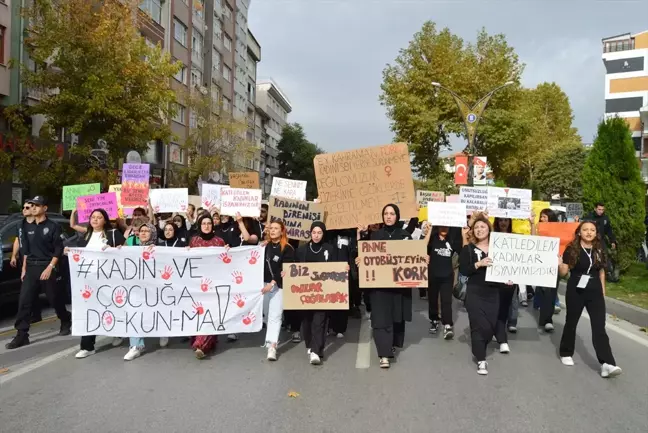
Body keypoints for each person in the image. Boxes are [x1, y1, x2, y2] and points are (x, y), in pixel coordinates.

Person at [356, 204, 428, 369]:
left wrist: (422, 260)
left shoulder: (405, 236)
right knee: (381, 319)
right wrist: (361, 259)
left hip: (398, 288)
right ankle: (384, 354)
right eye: (386, 214)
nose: (389, 216)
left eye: (392, 213)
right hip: (379, 288)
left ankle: (392, 344)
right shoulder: (375, 236)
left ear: (397, 216)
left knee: (396, 318)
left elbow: (414, 257)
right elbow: (365, 254)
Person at [6, 196, 72, 350]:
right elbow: (26, 251)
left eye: (37, 205)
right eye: (32, 205)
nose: (34, 208)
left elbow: (58, 249)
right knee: (24, 301)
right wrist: (24, 269)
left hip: (48, 266)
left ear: (44, 208)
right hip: (31, 267)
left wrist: (50, 267)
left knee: (54, 298)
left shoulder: (52, 226)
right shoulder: (25, 226)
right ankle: (22, 334)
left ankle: (65, 319)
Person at [558, 221, 622, 378]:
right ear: (579, 232)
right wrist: (560, 264)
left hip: (594, 290)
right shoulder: (571, 249)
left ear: (596, 233)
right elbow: (564, 273)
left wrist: (602, 291)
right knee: (571, 322)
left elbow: (601, 271)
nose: (588, 232)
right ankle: (566, 352)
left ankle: (607, 363)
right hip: (576, 289)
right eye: (585, 229)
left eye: (592, 230)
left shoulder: (600, 249)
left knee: (599, 327)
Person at [459, 213, 513, 375]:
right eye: (476, 227)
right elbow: (463, 270)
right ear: (472, 231)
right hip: (475, 292)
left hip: (494, 292)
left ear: (489, 229)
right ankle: (481, 359)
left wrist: (508, 279)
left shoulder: (500, 248)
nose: (479, 229)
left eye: (482, 226)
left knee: (489, 326)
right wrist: (478, 263)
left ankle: (485, 342)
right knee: (478, 325)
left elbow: (508, 268)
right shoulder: (468, 249)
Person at [72, 209, 126, 359]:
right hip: (89, 281)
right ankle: (87, 346)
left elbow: (126, 251)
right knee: (89, 311)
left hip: (109, 279)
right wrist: (69, 252)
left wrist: (116, 250)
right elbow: (78, 253)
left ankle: (119, 332)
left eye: (99, 217)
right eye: (93, 217)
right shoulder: (85, 236)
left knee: (113, 307)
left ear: (105, 220)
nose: (95, 220)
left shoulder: (113, 234)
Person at [295, 221, 338, 365]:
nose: (316, 235)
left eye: (319, 233)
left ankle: (316, 350)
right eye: (314, 232)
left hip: (323, 293)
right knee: (307, 321)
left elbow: (336, 267)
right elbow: (293, 268)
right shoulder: (302, 250)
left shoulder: (330, 249)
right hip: (305, 293)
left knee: (320, 321)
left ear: (323, 234)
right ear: (310, 233)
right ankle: (310, 344)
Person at [122, 222, 166, 361]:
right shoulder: (130, 249)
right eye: (141, 230)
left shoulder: (161, 249)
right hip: (136, 288)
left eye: (147, 231)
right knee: (134, 313)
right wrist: (116, 251)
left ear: (153, 233)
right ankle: (136, 346)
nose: (143, 233)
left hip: (155, 289)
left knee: (157, 313)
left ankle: (164, 331)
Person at [188, 215, 226, 359]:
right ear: (199, 225)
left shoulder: (219, 241)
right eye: (203, 223)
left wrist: (227, 251)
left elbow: (225, 260)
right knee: (199, 312)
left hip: (213, 284)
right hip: (197, 284)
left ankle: (201, 345)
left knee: (210, 313)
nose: (206, 226)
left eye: (209, 223)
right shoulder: (194, 241)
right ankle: (204, 341)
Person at [261, 220, 295, 361]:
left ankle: (272, 346)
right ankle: (270, 339)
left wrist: (273, 282)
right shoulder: (264, 247)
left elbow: (284, 269)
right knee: (267, 315)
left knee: (275, 315)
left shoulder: (287, 248)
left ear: (282, 231)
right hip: (264, 286)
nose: (273, 230)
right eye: (271, 228)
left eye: (276, 228)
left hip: (278, 287)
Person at [425, 224, 461, 340]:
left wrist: (464, 234)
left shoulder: (452, 240)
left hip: (447, 275)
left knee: (446, 301)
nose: (444, 229)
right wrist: (429, 230)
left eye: (446, 227)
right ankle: (434, 320)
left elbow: (463, 250)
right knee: (433, 299)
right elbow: (422, 247)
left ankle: (447, 324)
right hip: (432, 274)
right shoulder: (433, 239)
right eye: (441, 227)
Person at [10, 201, 42, 323]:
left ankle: (64, 316)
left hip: (39, 261)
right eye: (23, 207)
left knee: (49, 292)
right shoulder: (20, 224)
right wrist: (14, 255)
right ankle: (32, 315)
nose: (24, 209)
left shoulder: (39, 223)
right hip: (25, 260)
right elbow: (18, 240)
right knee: (28, 289)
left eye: (27, 207)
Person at [533, 209, 561, 332]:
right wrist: (532, 224)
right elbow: (534, 239)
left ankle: (547, 319)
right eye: (541, 217)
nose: (542, 219)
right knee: (544, 290)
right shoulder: (540, 229)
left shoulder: (558, 230)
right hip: (542, 264)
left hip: (555, 264)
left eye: (544, 217)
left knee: (551, 291)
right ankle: (545, 318)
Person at [493, 217, 516, 347]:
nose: (503, 223)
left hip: (510, 279)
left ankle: (500, 332)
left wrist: (532, 224)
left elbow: (533, 243)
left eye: (506, 220)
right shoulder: (491, 236)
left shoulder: (515, 237)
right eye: (501, 220)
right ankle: (497, 331)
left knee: (504, 307)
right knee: (494, 305)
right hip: (494, 278)